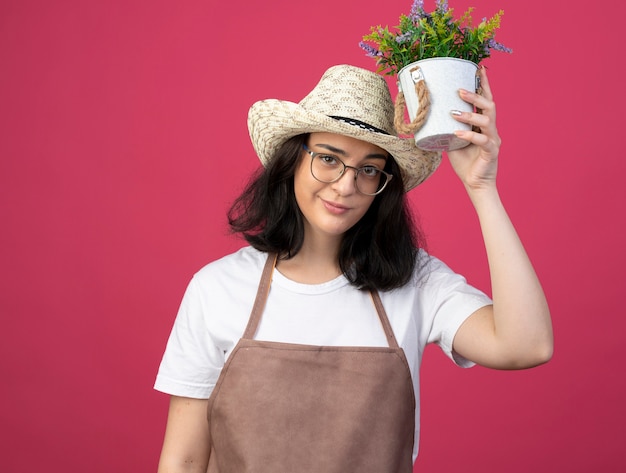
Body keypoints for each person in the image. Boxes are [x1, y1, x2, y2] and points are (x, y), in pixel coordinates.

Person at [154, 64, 553, 472]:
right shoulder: (217, 288)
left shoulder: (415, 281)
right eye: (328, 158)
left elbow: (527, 345)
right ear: (292, 160)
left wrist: (481, 188)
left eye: (368, 169)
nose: (346, 186)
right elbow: (184, 460)